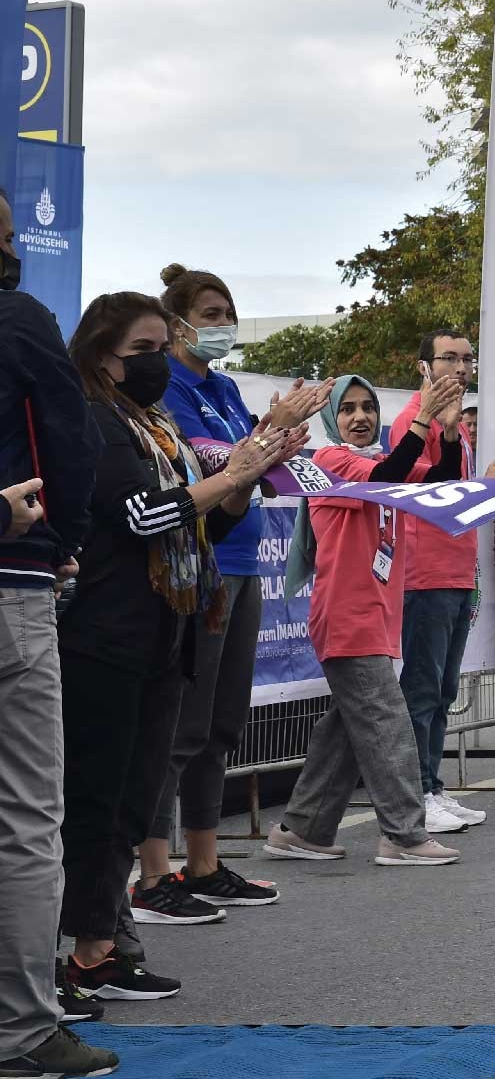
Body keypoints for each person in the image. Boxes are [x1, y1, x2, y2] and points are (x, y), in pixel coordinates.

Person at [58, 292, 297, 1006]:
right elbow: (144, 516)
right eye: (145, 350)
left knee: (132, 803)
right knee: (95, 804)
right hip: (106, 637)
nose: (160, 361)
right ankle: (77, 954)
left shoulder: (156, 426)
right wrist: (229, 475)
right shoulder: (94, 421)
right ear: (104, 355)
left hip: (167, 630)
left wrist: (239, 484)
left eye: (165, 346)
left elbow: (196, 532)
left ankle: (102, 950)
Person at [137, 265, 335, 918]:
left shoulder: (222, 387)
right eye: (211, 313)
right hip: (198, 563)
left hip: (246, 560)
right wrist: (269, 431)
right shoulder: (166, 387)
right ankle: (152, 873)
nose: (222, 325)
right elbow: (213, 463)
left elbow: (259, 469)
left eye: (229, 314)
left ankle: (204, 861)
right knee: (182, 723)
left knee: (223, 723)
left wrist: (281, 442)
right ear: (176, 324)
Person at [268, 375, 479, 869]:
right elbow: (391, 472)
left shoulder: (378, 460)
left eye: (368, 407)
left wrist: (448, 433)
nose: (360, 417)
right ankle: (404, 835)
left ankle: (301, 828)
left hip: (374, 617)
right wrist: (424, 417)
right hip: (347, 616)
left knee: (349, 727)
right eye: (349, 410)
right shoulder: (329, 461)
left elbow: (438, 481)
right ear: (331, 420)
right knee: (387, 721)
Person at [0, 196, 115, 1078]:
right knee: (27, 817)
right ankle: (21, 1029)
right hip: (14, 582)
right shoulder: (21, 317)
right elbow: (66, 439)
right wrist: (63, 539)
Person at [388, 330, 489, 832]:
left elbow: (457, 487)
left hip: (455, 567)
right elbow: (425, 489)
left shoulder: (458, 426)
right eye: (448, 357)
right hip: (424, 570)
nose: (460, 366)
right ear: (425, 366)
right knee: (423, 689)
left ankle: (433, 786)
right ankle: (415, 793)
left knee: (445, 688)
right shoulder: (413, 418)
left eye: (467, 358)